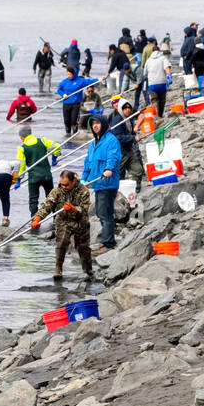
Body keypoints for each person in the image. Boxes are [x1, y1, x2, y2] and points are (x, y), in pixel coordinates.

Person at [32, 170, 94, 280]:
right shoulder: (57, 191)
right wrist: (38, 218)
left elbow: (84, 209)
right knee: (61, 243)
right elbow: (47, 205)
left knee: (83, 248)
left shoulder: (84, 190)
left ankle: (88, 271)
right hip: (63, 221)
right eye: (61, 184)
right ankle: (58, 269)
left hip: (80, 222)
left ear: (74, 181)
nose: (63, 187)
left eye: (66, 184)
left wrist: (73, 209)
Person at [80, 114, 121, 255]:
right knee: (100, 212)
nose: (95, 126)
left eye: (97, 123)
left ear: (103, 124)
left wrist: (109, 169)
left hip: (107, 183)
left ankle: (108, 243)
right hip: (97, 184)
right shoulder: (93, 144)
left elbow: (113, 157)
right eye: (93, 124)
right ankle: (106, 240)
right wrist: (83, 178)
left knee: (105, 213)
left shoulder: (111, 140)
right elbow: (88, 163)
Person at [16, 125, 59, 217]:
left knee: (33, 200)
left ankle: (34, 221)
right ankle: (56, 218)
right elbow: (57, 146)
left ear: (22, 136)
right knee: (51, 198)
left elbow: (21, 166)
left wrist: (18, 180)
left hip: (34, 178)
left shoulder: (22, 148)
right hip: (47, 175)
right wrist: (55, 157)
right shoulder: (42, 141)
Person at [107, 98, 145, 187]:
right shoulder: (117, 120)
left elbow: (141, 115)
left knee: (138, 170)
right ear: (121, 109)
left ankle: (136, 187)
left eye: (129, 108)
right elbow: (118, 137)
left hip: (129, 150)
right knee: (119, 175)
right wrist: (133, 138)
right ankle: (118, 191)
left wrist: (134, 134)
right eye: (125, 108)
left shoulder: (129, 118)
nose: (127, 110)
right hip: (120, 152)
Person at [57, 65, 96, 138]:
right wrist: (63, 94)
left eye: (70, 74)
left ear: (73, 74)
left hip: (75, 104)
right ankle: (68, 136)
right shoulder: (64, 81)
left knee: (73, 121)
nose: (68, 75)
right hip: (66, 104)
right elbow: (59, 90)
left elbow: (89, 82)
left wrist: (99, 79)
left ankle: (74, 136)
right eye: (67, 74)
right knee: (66, 121)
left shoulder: (80, 81)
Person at [144, 43, 171, 117]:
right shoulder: (163, 58)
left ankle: (156, 115)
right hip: (162, 82)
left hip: (152, 84)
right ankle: (160, 114)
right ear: (159, 51)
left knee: (154, 99)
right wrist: (169, 76)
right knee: (162, 100)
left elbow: (145, 73)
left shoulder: (148, 60)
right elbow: (167, 68)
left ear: (152, 52)